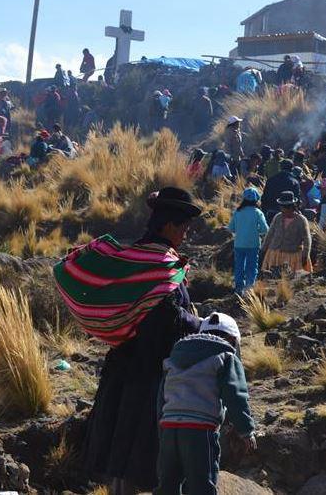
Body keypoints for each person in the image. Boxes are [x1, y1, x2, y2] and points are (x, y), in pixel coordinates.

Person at [56, 187, 202, 493]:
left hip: (122, 369)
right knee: (140, 459)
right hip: (150, 376)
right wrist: (198, 323)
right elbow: (168, 320)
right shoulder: (161, 266)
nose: (185, 233)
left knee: (120, 458)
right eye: (181, 226)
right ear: (166, 225)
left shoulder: (133, 258)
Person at [155, 312, 257, 495]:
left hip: (169, 428)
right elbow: (235, 395)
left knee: (168, 484)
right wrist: (246, 430)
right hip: (199, 431)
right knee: (201, 485)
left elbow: (161, 397)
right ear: (233, 339)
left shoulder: (176, 355)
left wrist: (162, 429)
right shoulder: (226, 355)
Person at [227, 188, 269, 295]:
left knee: (239, 266)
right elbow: (265, 229)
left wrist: (240, 229)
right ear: (256, 200)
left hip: (239, 244)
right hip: (253, 244)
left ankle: (238, 288)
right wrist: (256, 231)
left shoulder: (238, 212)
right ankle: (249, 288)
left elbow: (231, 228)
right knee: (252, 266)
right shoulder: (258, 213)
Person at [262, 192, 312, 275]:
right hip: (275, 254)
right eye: (282, 207)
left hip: (292, 255)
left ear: (292, 207)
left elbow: (307, 239)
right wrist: (263, 249)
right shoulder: (278, 217)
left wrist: (305, 255)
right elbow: (270, 234)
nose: (283, 210)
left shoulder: (301, 220)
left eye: (286, 207)